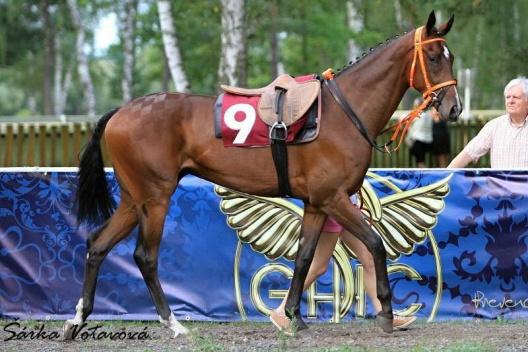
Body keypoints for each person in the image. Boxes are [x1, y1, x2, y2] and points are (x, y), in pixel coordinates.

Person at [269, 205, 417, 336]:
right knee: (319, 266)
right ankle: (282, 310)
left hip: (347, 209)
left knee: (370, 260)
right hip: (333, 209)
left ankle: (385, 313)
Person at [448, 77, 528, 168]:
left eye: (516, 97)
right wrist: (443, 175)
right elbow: (469, 153)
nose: (510, 101)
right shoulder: (494, 126)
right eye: (508, 97)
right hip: (499, 182)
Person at [405, 99, 434, 168]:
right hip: (428, 141)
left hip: (418, 142)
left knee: (420, 162)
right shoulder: (428, 115)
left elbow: (406, 120)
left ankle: (424, 176)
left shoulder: (418, 115)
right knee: (421, 161)